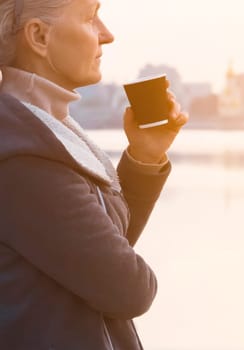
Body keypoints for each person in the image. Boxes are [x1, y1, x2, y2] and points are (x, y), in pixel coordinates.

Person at [0, 0, 188, 348]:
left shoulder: (44, 130)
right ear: (39, 36)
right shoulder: (23, 156)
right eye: (90, 18)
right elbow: (128, 289)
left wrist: (144, 158)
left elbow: (95, 253)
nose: (107, 35)